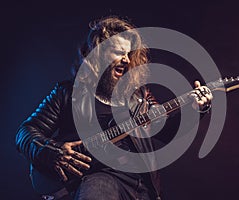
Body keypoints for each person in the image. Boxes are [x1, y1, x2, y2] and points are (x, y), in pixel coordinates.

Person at [16, 16, 213, 200]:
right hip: (100, 179)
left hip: (142, 185)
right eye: (119, 53)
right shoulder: (68, 94)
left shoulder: (140, 96)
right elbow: (26, 132)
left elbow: (166, 130)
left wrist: (196, 110)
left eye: (129, 54)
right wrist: (51, 152)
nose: (127, 60)